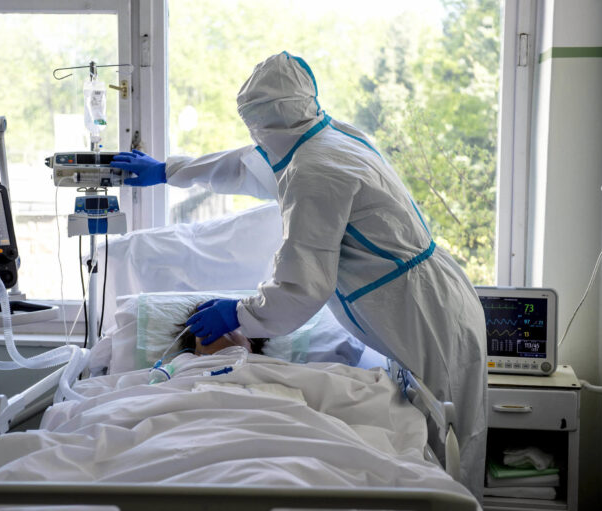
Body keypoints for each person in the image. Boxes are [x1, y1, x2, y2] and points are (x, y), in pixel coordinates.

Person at [111, 51, 487, 499]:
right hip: (415, 301)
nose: (255, 138)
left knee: (447, 441)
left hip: (425, 313)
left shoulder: (315, 170)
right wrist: (168, 171)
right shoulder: (325, 137)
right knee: (429, 431)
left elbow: (302, 287)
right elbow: (245, 165)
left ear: (262, 123)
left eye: (256, 128)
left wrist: (240, 314)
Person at [174, 303, 268, 356]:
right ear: (195, 350)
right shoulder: (179, 366)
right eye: (204, 325)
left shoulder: (269, 366)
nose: (215, 326)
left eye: (228, 321)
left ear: (250, 344)